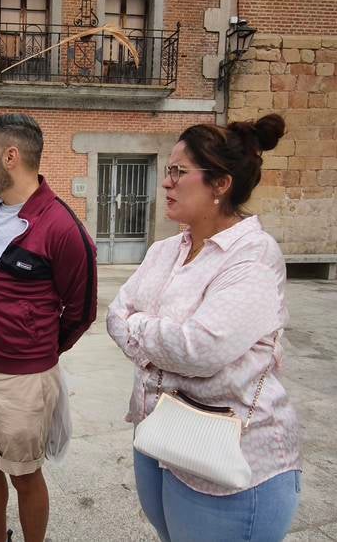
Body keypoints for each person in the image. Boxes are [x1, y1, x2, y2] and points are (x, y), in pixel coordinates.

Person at [107, 114, 301, 542]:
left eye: (178, 171)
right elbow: (114, 314)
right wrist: (159, 337)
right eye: (167, 171)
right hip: (158, 434)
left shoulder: (252, 257)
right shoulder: (165, 250)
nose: (166, 182)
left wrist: (140, 325)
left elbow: (200, 348)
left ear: (220, 184)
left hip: (230, 457)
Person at [0, 114, 97, 542]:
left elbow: (81, 309)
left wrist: (36, 349)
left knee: (24, 475)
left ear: (11, 157)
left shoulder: (61, 228)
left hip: (23, 380)